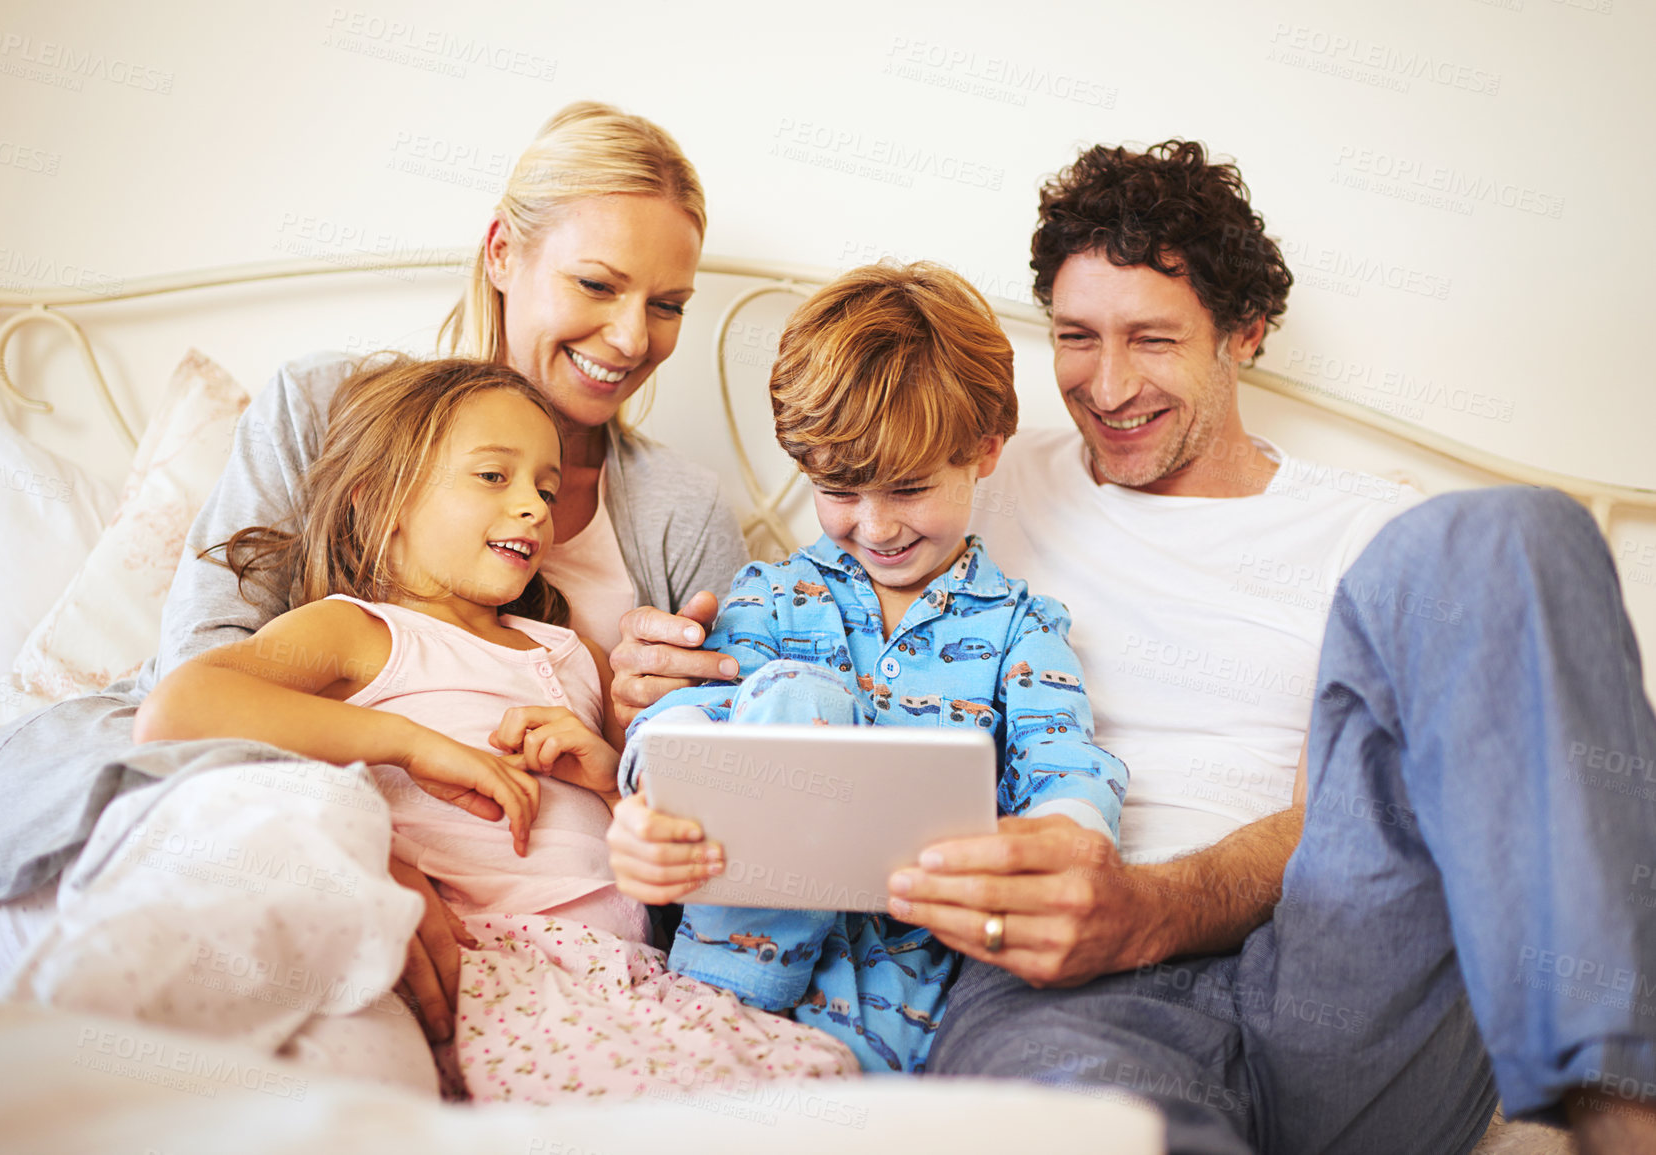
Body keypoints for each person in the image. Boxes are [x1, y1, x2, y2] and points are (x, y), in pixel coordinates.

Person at [604, 141, 1656, 1153]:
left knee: (1519, 531)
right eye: (1074, 336)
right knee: (1089, 1117)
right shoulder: (956, 483)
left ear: (1242, 334)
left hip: (1334, 976)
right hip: (1061, 998)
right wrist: (655, 707)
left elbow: (1334, 820)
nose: (1107, 388)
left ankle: (1625, 1101)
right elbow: (799, 655)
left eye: (1151, 339)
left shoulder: (1366, 532)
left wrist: (1149, 909)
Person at [0, 101, 747, 1080]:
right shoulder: (328, 410)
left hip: (551, 941)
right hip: (280, 825)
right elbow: (200, 668)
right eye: (598, 283)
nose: (630, 335)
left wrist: (649, 734)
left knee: (360, 1072)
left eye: (667, 305)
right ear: (500, 253)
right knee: (273, 950)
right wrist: (368, 869)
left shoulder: (682, 512)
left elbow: (716, 797)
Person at [123, 356, 856, 1103]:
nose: (535, 507)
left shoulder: (573, 650)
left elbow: (642, 818)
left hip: (628, 968)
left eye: (544, 486)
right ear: (385, 500)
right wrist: (412, 744)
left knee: (809, 1075)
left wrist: (606, 771)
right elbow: (180, 706)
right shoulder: (357, 630)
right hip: (484, 954)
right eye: (492, 477)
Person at [609, 262, 1129, 1076]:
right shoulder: (769, 595)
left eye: (909, 488)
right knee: (792, 695)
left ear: (985, 451)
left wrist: (1064, 836)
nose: (876, 525)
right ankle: (718, 1021)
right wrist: (651, 815)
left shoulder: (1019, 627)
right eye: (839, 490)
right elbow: (685, 722)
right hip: (712, 979)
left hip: (895, 997)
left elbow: (1067, 770)